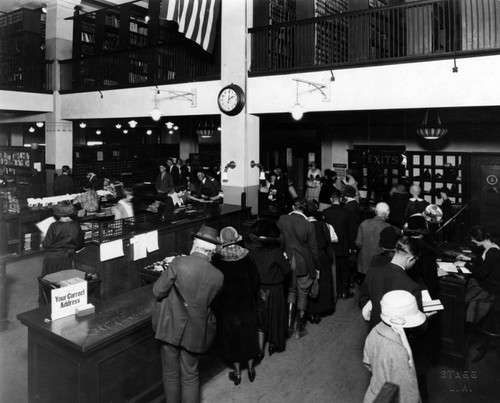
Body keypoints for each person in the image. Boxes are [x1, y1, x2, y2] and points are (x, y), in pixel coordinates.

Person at [152, 224, 223, 403]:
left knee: (170, 374)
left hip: (170, 325)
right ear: (211, 252)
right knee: (190, 376)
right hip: (196, 331)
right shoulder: (218, 276)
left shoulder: (179, 263)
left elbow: (158, 291)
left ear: (196, 245)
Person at [212, 227, 260, 385]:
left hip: (228, 306)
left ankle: (238, 374)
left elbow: (216, 285)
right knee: (250, 335)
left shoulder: (217, 259)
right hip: (247, 303)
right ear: (235, 238)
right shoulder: (247, 255)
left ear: (222, 240)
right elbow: (255, 280)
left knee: (233, 339)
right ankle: (252, 370)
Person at [363, 290, 426, 403]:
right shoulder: (398, 351)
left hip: (372, 395)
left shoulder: (374, 331)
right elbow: (407, 394)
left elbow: (367, 363)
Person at [246, 219, 291, 357]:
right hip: (275, 289)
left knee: (259, 321)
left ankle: (259, 350)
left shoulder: (250, 249)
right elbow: (287, 269)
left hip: (256, 289)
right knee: (275, 318)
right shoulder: (276, 250)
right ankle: (273, 344)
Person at [359, 236, 423, 331]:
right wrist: (423, 317)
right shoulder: (412, 287)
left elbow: (362, 302)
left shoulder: (372, 272)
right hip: (396, 338)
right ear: (410, 259)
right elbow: (418, 329)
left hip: (374, 332)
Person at [277, 197, 319, 340]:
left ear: (293, 207)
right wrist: (316, 268)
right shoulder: (309, 225)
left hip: (288, 261)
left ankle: (288, 327)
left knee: (290, 291)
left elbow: (279, 241)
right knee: (303, 294)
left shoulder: (283, 219)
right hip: (303, 263)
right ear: (304, 208)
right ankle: (299, 330)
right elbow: (314, 250)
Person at [305, 201, 336, 324]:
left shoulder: (304, 225)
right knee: (322, 283)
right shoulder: (324, 225)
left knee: (309, 283)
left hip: (308, 257)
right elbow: (329, 242)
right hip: (322, 256)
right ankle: (319, 311)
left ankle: (309, 310)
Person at [464, 226, 500, 323]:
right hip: (491, 284)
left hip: (491, 288)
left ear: (479, 239)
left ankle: (467, 320)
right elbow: (483, 260)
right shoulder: (491, 246)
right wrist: (468, 259)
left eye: (473, 239)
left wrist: (466, 265)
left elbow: (481, 274)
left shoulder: (492, 252)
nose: (472, 241)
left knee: (467, 286)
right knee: (469, 282)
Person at [323, 189, 353, 299]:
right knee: (344, 269)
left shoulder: (325, 212)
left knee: (332, 269)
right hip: (343, 244)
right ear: (340, 199)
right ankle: (344, 291)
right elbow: (350, 230)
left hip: (330, 245)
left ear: (331, 200)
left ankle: (333, 291)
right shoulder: (346, 213)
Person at [355, 202, 392, 283]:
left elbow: (358, 243)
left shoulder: (364, 223)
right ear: (387, 213)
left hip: (364, 262)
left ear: (375, 211)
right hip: (380, 264)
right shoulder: (388, 227)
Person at [342, 185, 361, 286]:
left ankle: (349, 280)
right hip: (355, 234)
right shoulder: (356, 204)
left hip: (349, 236)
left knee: (349, 260)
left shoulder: (347, 207)